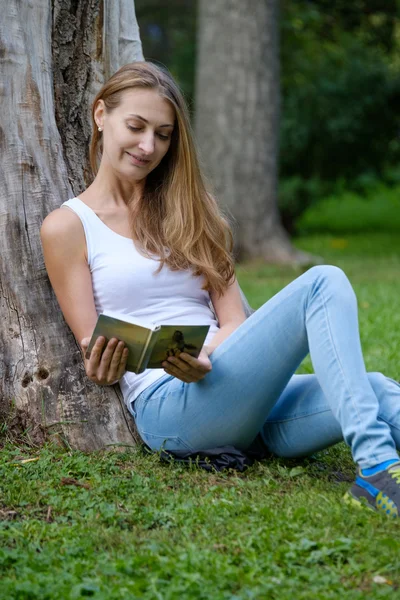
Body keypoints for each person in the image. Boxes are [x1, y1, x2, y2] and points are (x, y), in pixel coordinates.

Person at [41, 61, 400, 518]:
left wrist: (206, 357)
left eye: (164, 134)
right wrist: (105, 362)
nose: (148, 145)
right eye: (136, 126)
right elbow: (92, 342)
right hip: (169, 408)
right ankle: (376, 467)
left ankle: (381, 467)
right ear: (100, 116)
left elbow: (234, 322)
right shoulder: (68, 226)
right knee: (322, 283)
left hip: (240, 394)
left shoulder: (193, 209)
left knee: (379, 390)